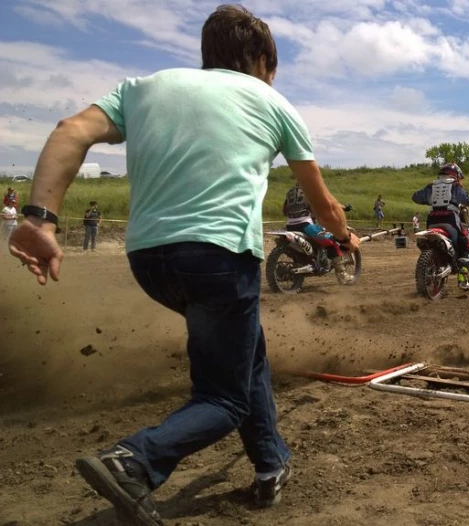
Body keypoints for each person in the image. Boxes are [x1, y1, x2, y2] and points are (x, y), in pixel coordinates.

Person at [7, 6, 359, 525]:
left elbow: (70, 130)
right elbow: (324, 205)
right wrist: (344, 236)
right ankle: (134, 461)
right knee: (223, 397)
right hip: (218, 257)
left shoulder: (142, 87)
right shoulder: (272, 101)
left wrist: (40, 220)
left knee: (246, 354)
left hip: (149, 259)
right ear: (262, 61)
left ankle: (270, 463)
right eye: (273, 67)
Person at [411, 162, 469, 290]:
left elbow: (415, 197)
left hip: (432, 219)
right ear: (455, 174)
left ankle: (437, 264)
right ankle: (462, 279)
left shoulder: (431, 186)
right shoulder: (455, 185)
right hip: (449, 218)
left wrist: (430, 200)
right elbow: (467, 199)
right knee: (463, 242)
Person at [282, 181, 351, 240]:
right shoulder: (310, 192)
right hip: (305, 225)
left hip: (289, 226)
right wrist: (344, 207)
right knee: (332, 238)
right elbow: (328, 204)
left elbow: (284, 211)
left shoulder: (289, 193)